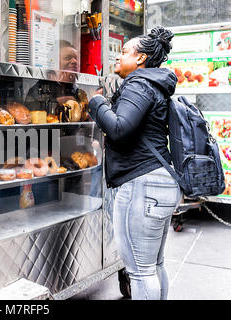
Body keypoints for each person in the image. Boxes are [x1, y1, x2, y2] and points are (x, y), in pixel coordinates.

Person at [87, 26, 183, 300]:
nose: (118, 57)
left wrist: (96, 102)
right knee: (155, 264)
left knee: (140, 272)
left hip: (142, 185)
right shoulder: (154, 84)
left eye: (124, 52)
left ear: (140, 58)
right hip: (160, 182)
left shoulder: (140, 84)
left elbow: (119, 128)